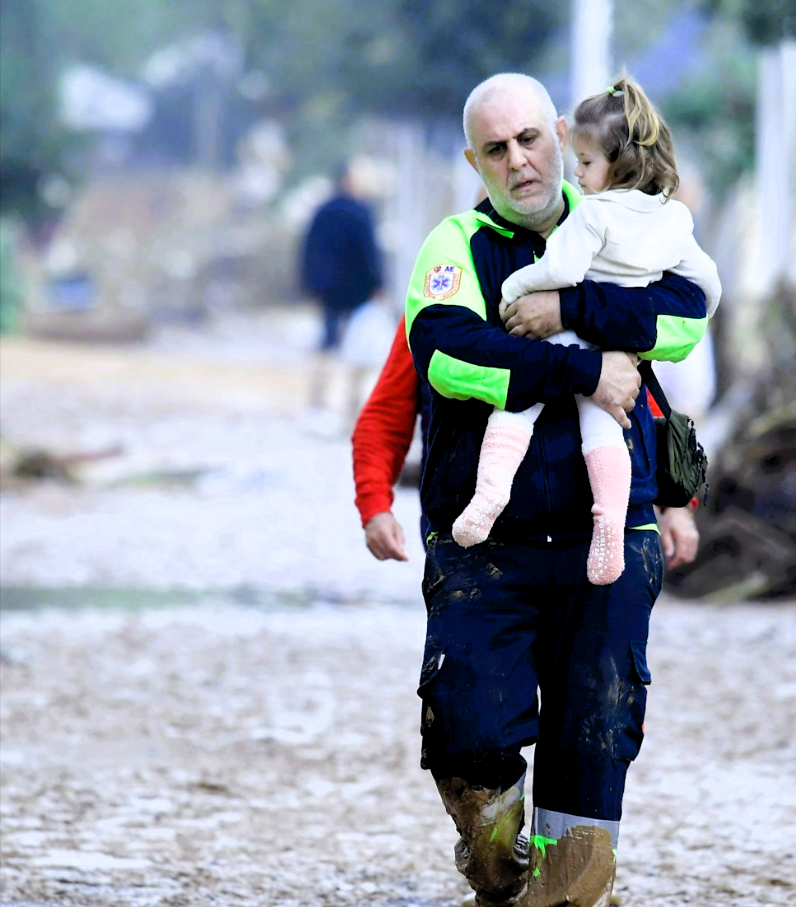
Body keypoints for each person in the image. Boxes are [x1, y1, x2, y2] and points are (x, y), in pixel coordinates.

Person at [401, 72, 710, 907]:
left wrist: (571, 307)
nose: (519, 161)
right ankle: (497, 864)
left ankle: (570, 893)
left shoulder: (628, 219)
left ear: (562, 137)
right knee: (469, 735)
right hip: (483, 550)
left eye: (531, 139)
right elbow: (449, 354)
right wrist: (582, 367)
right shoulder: (454, 245)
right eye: (496, 149)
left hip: (607, 539)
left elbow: (686, 318)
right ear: (475, 161)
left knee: (595, 737)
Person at [452, 77, 720, 585]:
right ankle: (609, 526)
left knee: (517, 410)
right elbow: (704, 287)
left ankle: (492, 494)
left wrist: (531, 297)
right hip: (613, 360)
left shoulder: (591, 215)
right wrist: (597, 366)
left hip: (576, 352)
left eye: (586, 162)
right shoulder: (671, 219)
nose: (517, 160)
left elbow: (564, 270)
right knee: (605, 430)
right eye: (497, 148)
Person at [351, 315, 702, 570]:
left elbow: (634, 400)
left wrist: (677, 503)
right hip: (469, 536)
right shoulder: (438, 307)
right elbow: (386, 416)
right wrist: (375, 507)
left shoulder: (592, 297)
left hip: (584, 535)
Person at [299, 160, 384, 422]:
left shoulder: (323, 210)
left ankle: (317, 401)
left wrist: (310, 283)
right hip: (358, 290)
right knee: (357, 346)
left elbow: (308, 249)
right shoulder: (361, 211)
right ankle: (350, 406)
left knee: (327, 342)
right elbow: (370, 253)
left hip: (328, 289)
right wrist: (378, 285)